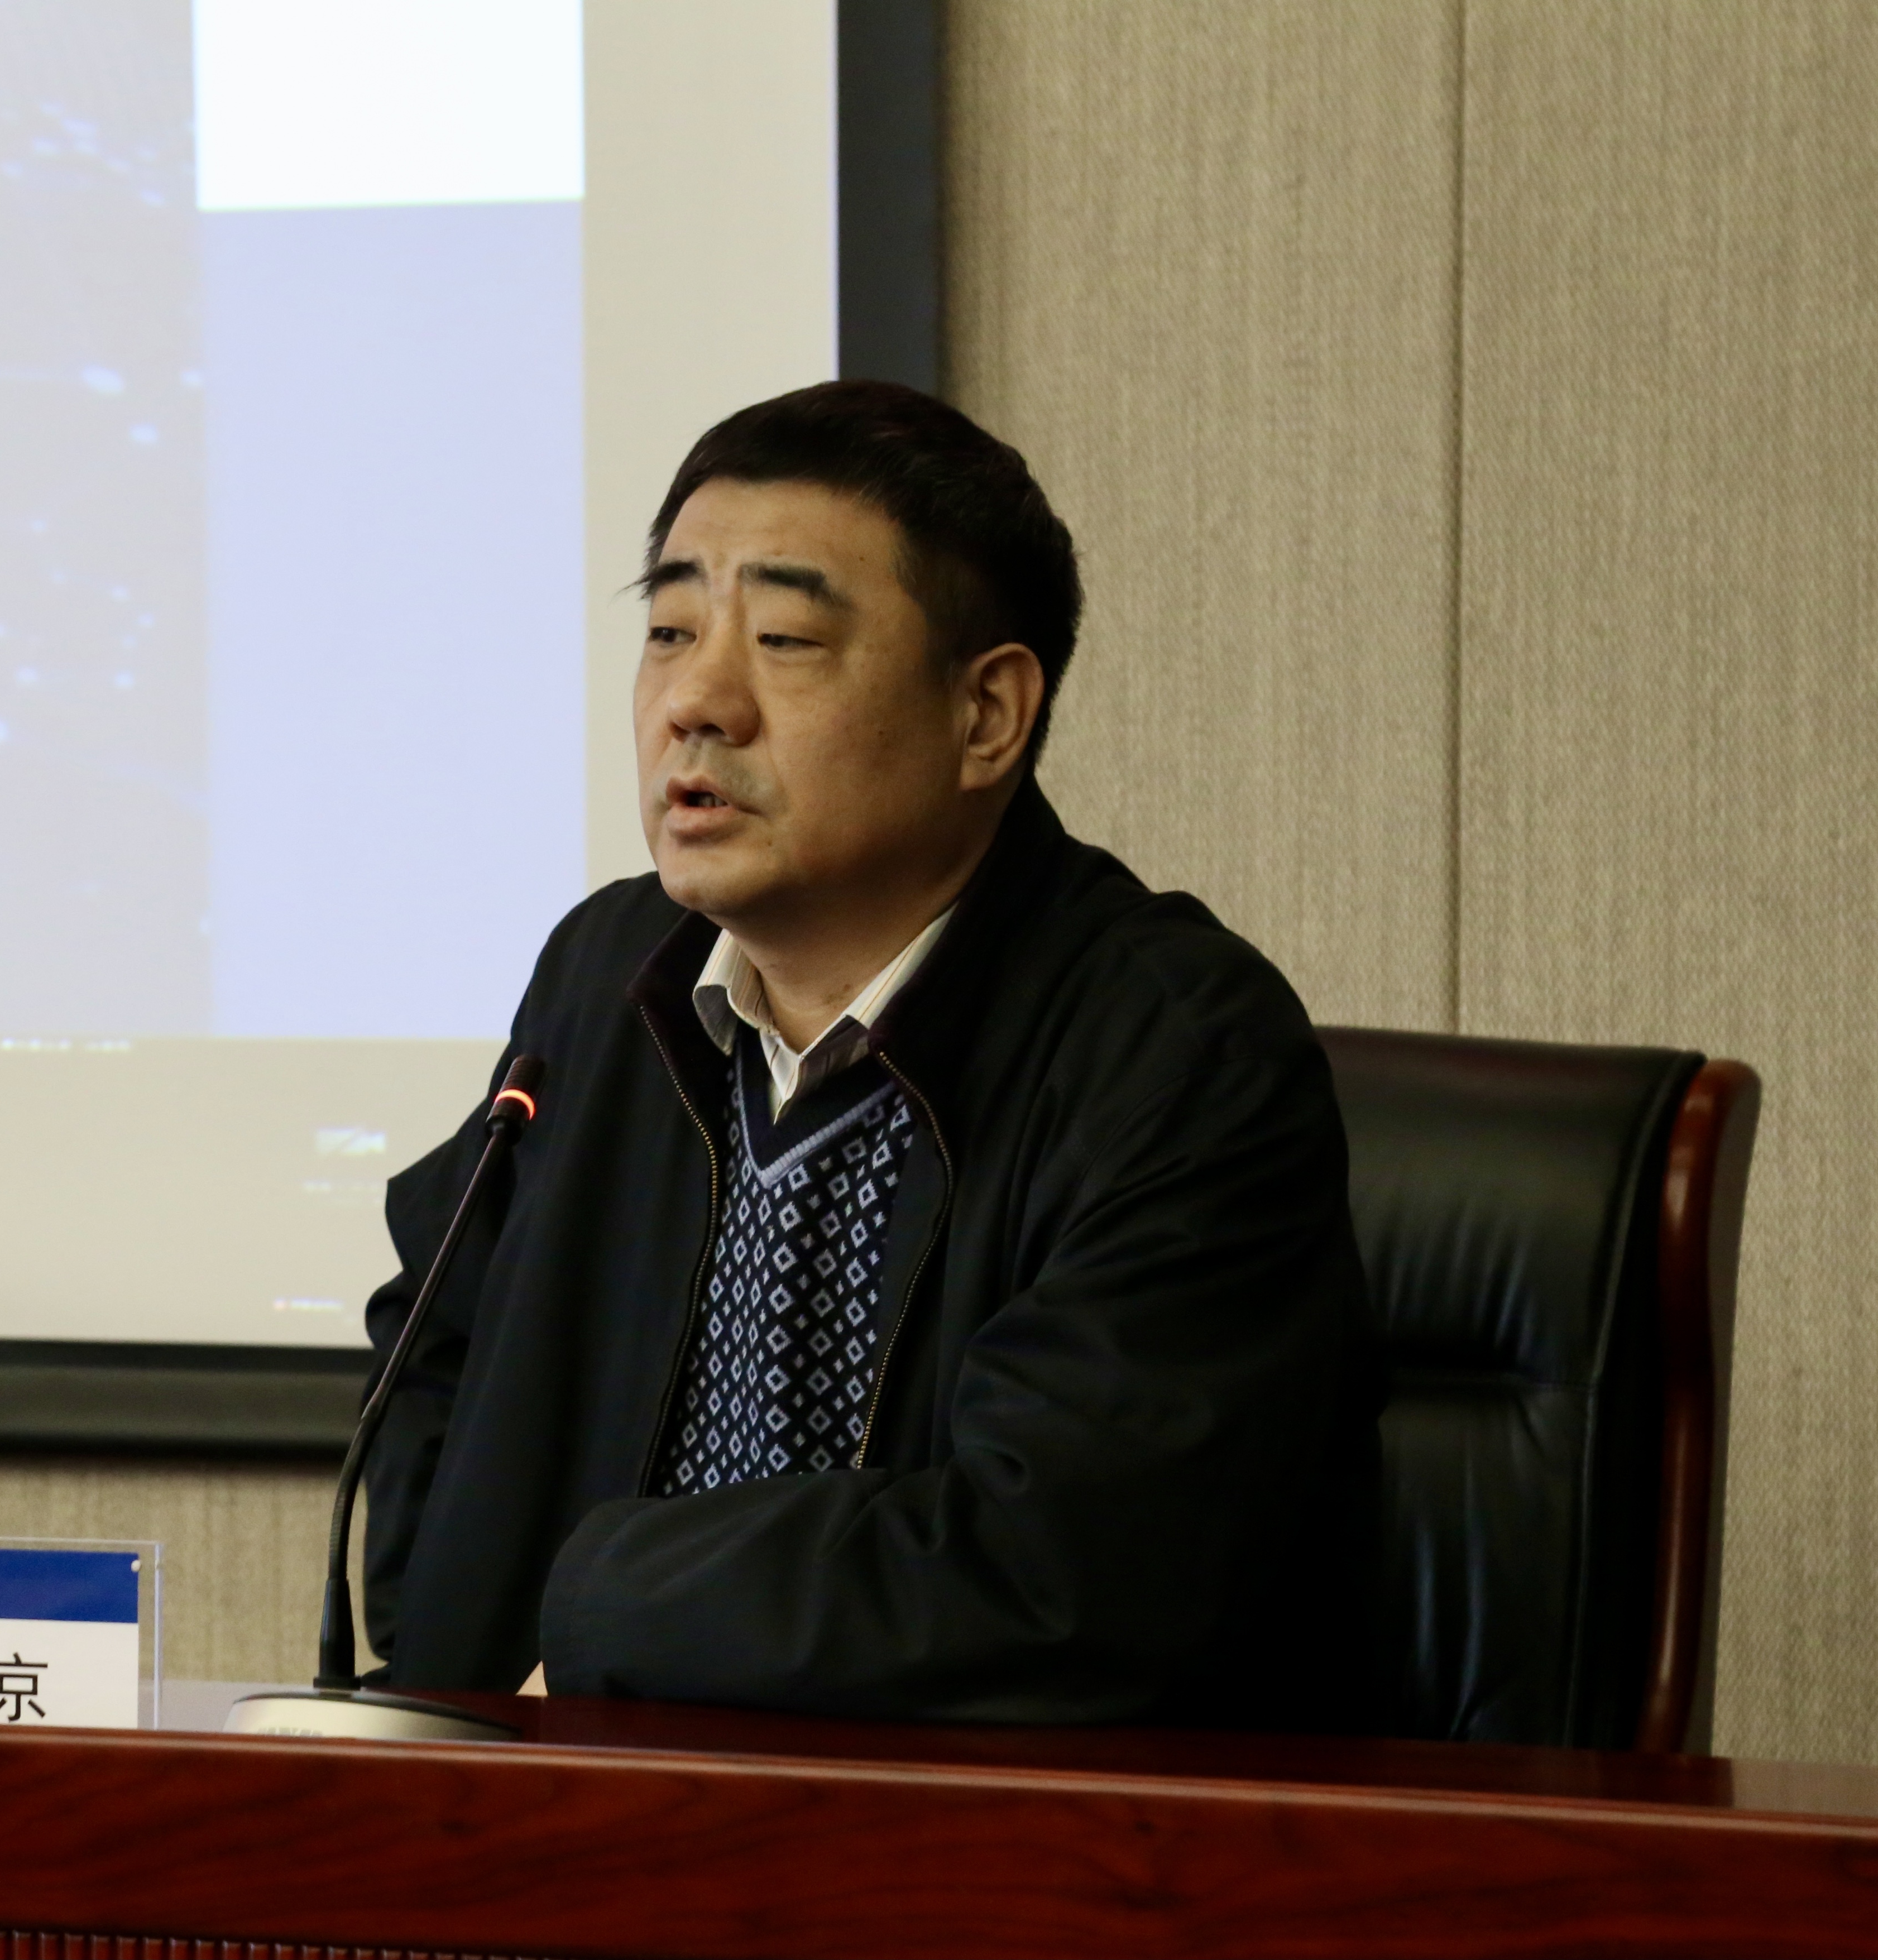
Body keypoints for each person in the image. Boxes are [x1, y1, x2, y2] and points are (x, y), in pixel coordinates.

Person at [360, 380, 1376, 1727]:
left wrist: (612, 1608)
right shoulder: (610, 971)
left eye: (785, 639)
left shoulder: (1174, 1051)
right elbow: (437, 1340)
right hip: (569, 1794)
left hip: (969, 1833)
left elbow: (1065, 1569)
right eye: (669, 631)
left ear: (987, 714)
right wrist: (460, 1654)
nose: (696, 701)